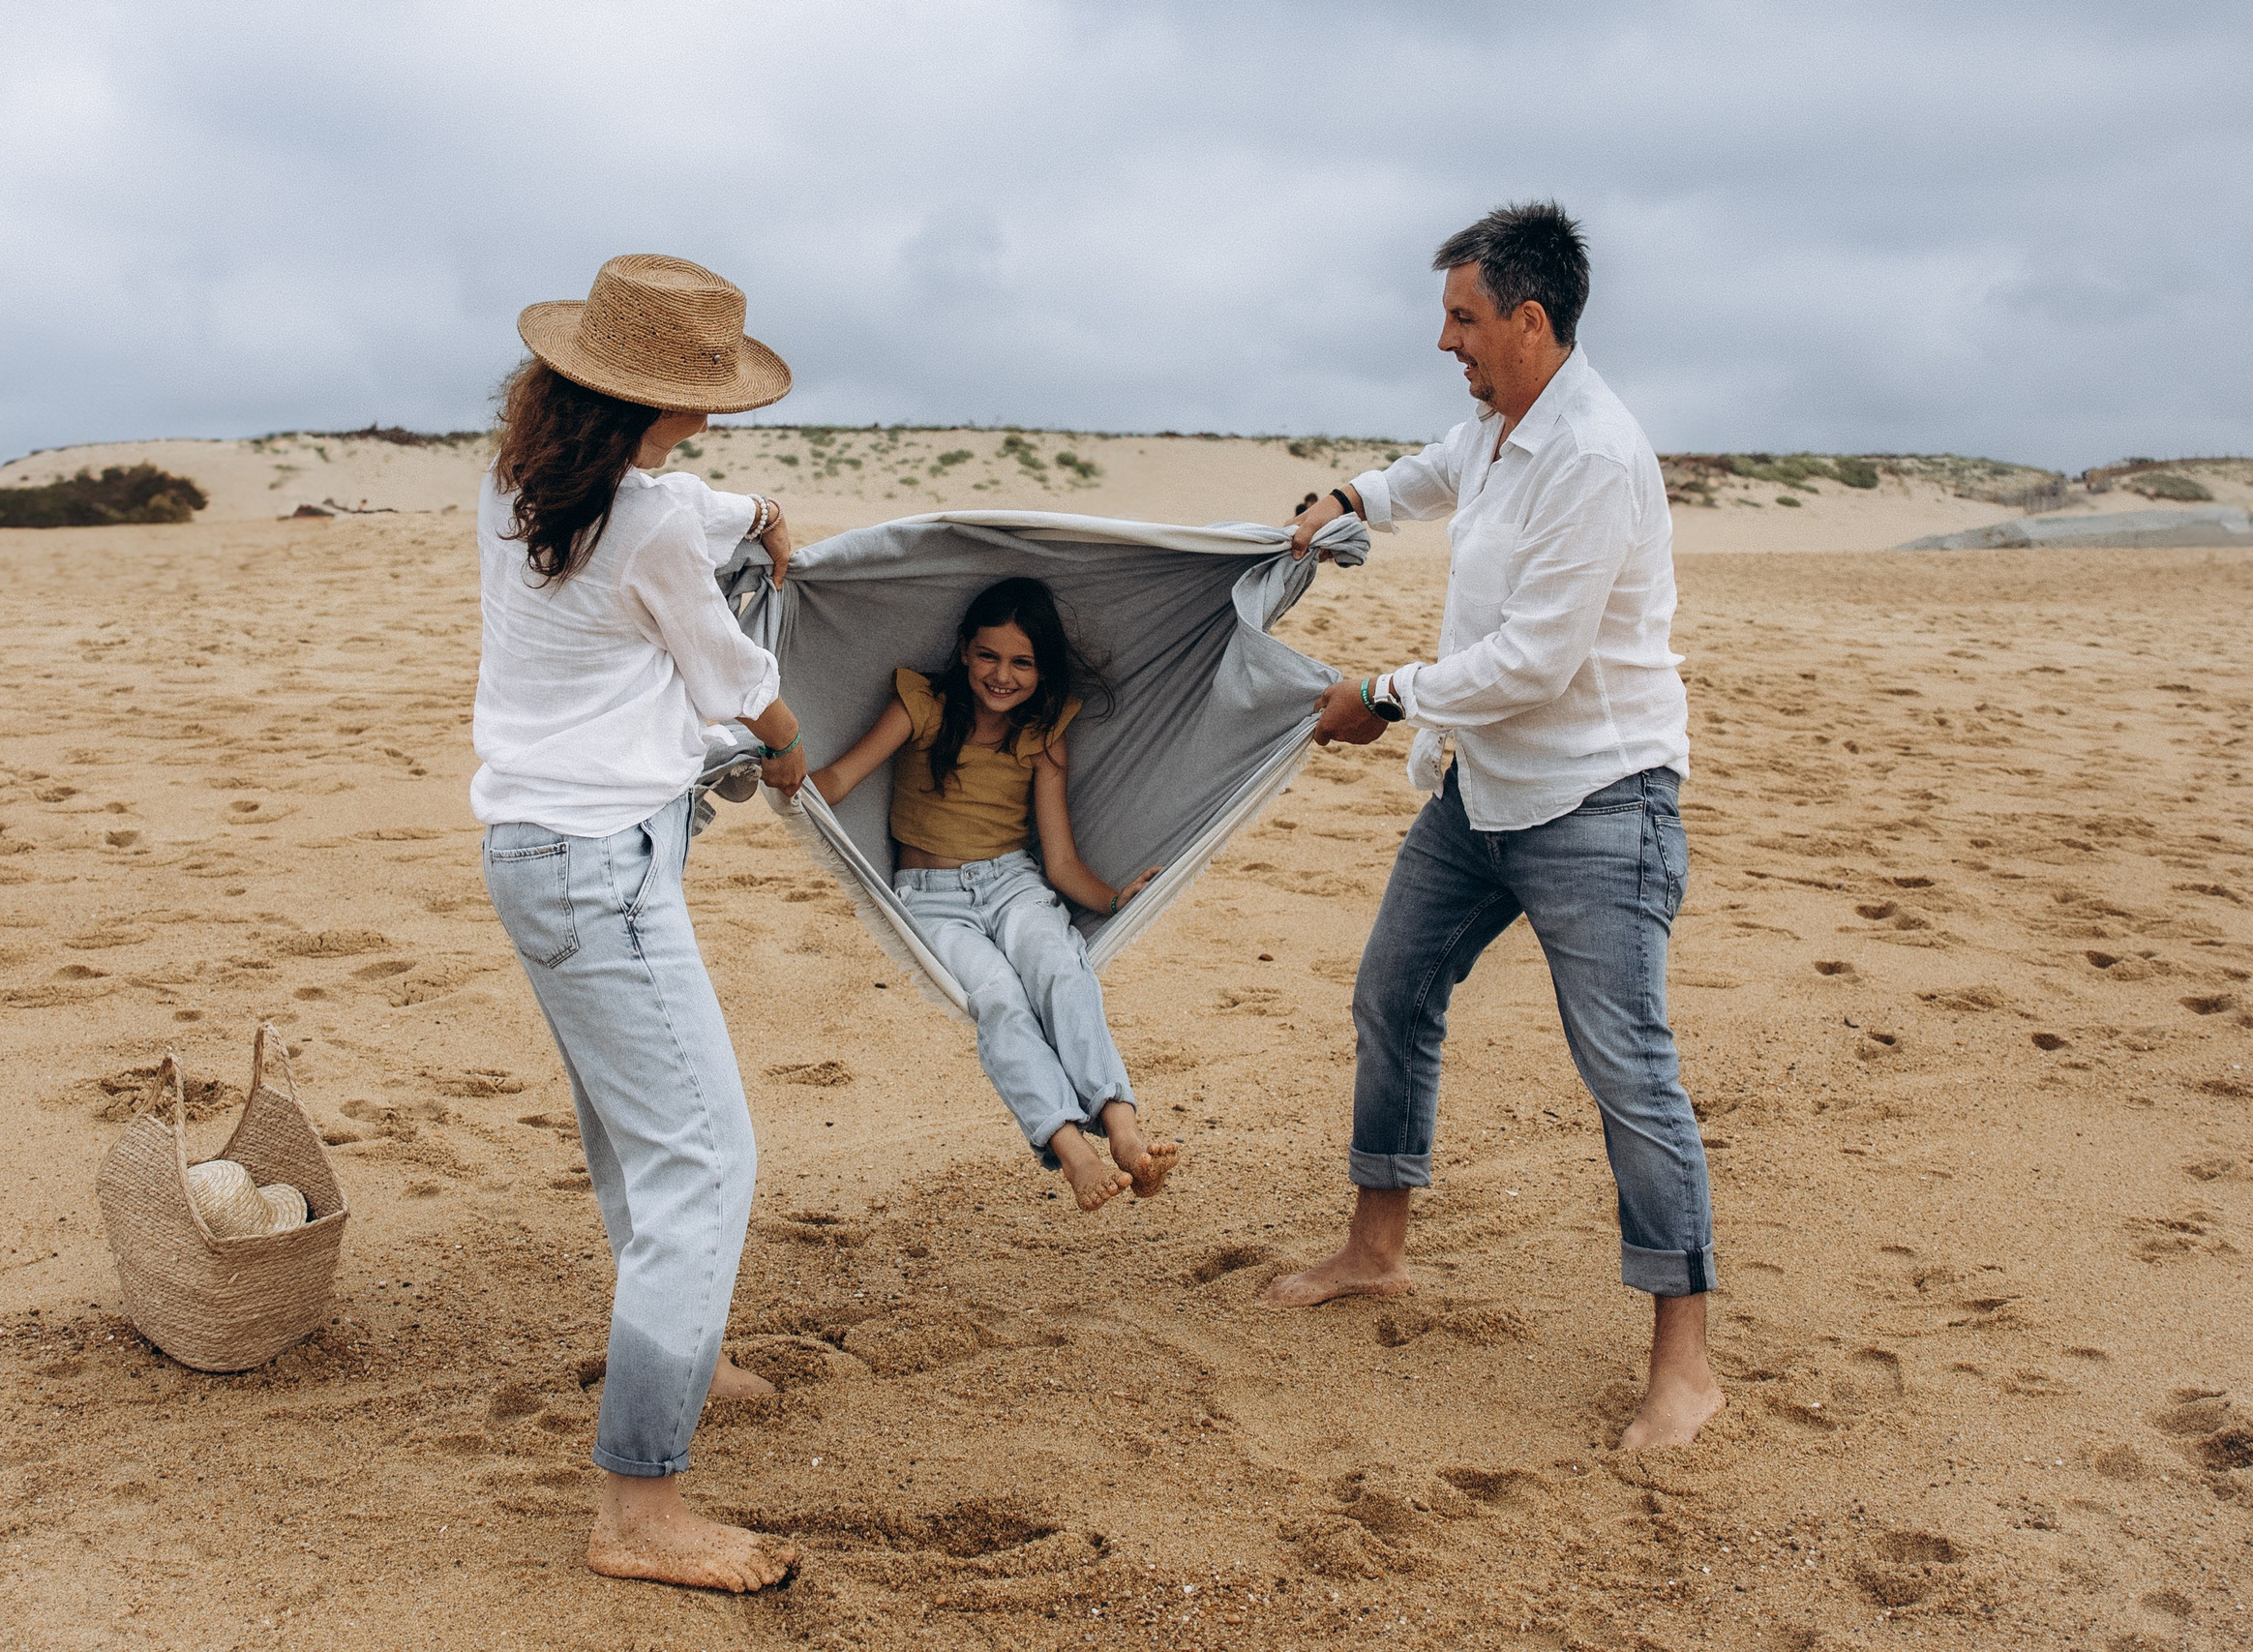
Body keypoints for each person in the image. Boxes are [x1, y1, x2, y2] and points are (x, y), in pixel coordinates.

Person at [1267, 202, 1725, 1451]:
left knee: (1626, 1068)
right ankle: (1376, 1248)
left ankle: (1684, 1364)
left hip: (1598, 800)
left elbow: (1533, 661)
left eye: (1463, 317)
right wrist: (1347, 490)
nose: (1444, 340)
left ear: (1530, 319)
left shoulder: (1594, 455)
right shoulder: (1499, 425)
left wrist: (1380, 695)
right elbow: (1426, 471)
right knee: (1392, 991)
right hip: (1483, 793)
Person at [472, 254, 806, 1590]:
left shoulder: (514, 485)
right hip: (600, 863)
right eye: (695, 398)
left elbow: (685, 506)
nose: (711, 419)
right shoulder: (656, 526)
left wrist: (760, 509)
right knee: (705, 1160)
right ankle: (639, 1506)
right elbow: (735, 677)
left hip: (534, 853)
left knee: (635, 1128)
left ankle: (692, 1346)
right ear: (642, 405)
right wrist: (786, 749)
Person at [806, 577, 1182, 1210]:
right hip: (930, 899)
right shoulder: (920, 705)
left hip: (1014, 884)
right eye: (988, 655)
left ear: (1042, 669)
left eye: (1022, 662)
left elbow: (1059, 860)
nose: (1001, 674)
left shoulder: (1043, 733)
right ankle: (1073, 1150)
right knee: (1001, 1000)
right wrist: (787, 775)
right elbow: (840, 776)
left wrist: (1115, 899)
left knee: (1063, 970)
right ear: (962, 650)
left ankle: (1121, 1126)